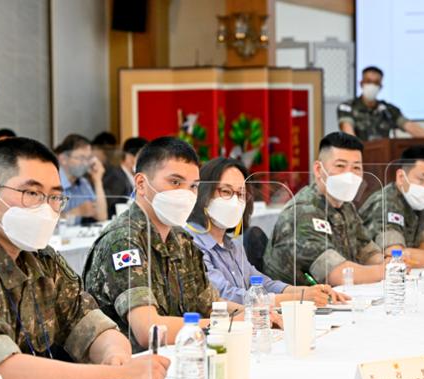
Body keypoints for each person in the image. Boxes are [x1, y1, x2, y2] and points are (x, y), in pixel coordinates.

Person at [0, 137, 168, 379]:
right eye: (32, 193)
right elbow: (0, 371)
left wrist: (114, 356)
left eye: (54, 197)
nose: (46, 208)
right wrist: (113, 377)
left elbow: (90, 324)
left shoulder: (41, 257)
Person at [84, 137, 235, 352]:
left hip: (181, 358)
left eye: (193, 186)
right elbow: (149, 331)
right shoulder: (123, 241)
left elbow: (211, 304)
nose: (186, 193)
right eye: (175, 182)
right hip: (131, 370)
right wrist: (227, 325)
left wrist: (254, 314)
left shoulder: (181, 239)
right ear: (141, 184)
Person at [186, 157, 348, 307]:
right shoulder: (191, 244)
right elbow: (223, 295)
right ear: (204, 194)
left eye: (241, 194)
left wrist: (307, 291)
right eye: (226, 192)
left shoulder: (233, 246)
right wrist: (297, 298)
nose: (235, 201)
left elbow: (262, 284)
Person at [264, 132, 385, 286]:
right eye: (340, 166)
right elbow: (336, 275)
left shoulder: (345, 206)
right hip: (298, 305)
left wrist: (388, 262)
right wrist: (387, 270)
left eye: (356, 167)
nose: (350, 174)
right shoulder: (303, 212)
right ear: (318, 169)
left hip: (334, 299)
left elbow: (367, 251)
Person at [359, 146, 424, 268]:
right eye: (421, 179)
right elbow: (397, 255)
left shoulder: (417, 202)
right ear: (401, 177)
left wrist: (419, 259)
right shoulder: (385, 203)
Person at [337, 66, 424, 141]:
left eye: (376, 83)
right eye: (368, 81)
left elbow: (410, 126)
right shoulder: (347, 107)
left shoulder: (387, 110)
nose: (372, 86)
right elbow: (348, 131)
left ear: (381, 86)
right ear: (361, 83)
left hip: (385, 156)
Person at [55, 134, 108, 222]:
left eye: (88, 159)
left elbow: (102, 216)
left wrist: (98, 180)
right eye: (81, 158)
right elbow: (42, 223)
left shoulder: (83, 183)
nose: (85, 163)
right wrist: (75, 212)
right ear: (63, 159)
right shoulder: (52, 183)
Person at [104, 137, 149, 219]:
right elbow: (110, 207)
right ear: (129, 156)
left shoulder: (131, 176)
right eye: (142, 157)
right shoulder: (115, 177)